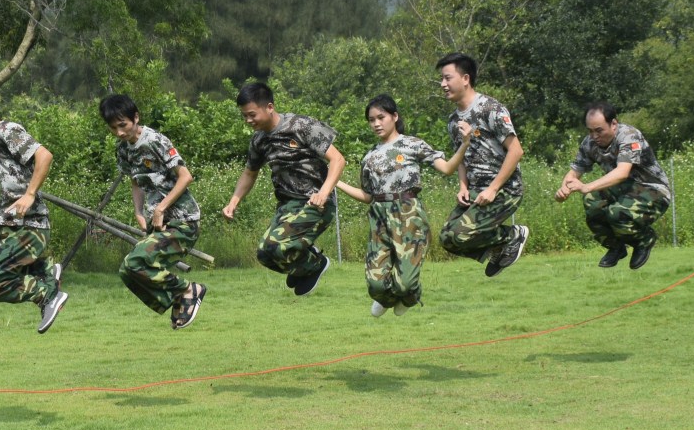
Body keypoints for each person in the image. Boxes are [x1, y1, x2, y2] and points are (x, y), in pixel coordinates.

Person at [334, 94, 463, 315]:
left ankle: (410, 295)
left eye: (380, 117)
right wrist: (335, 182)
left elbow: (447, 168)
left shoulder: (412, 145)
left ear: (394, 116)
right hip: (380, 218)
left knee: (405, 282)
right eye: (371, 120)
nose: (376, 123)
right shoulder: (370, 157)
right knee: (375, 284)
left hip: (408, 214)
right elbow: (368, 195)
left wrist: (465, 144)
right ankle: (390, 298)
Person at [0, 86, 69, 333]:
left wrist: (29, 195)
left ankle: (47, 293)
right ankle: (47, 271)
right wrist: (2, 203)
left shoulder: (7, 130)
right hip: (15, 224)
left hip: (29, 226)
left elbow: (44, 156)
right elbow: (18, 179)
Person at [220, 81, 345, 296]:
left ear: (269, 107)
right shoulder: (259, 140)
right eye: (244, 116)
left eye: (252, 114)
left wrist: (323, 193)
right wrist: (234, 201)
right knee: (265, 254)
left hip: (315, 203)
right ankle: (309, 260)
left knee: (278, 245)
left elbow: (338, 160)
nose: (248, 120)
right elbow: (250, 172)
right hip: (287, 206)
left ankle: (313, 262)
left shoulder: (301, 126)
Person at [102, 93, 206, 330]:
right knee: (128, 271)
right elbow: (136, 181)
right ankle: (179, 298)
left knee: (136, 261)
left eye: (123, 125)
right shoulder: (123, 149)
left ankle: (189, 290)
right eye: (113, 128)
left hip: (182, 221)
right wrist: (139, 211)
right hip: (158, 223)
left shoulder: (155, 141)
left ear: (135, 118)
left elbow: (185, 176)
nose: (119, 132)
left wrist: (160, 208)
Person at [435, 53, 528, 276]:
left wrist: (493, 188)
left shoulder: (490, 109)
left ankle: (513, 235)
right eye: (442, 79)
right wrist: (463, 186)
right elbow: (460, 157)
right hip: (475, 190)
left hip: (504, 189)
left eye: (447, 78)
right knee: (447, 239)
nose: (443, 84)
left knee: (460, 234)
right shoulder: (453, 121)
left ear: (465, 78)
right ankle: (499, 248)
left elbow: (516, 151)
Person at [554, 102, 673, 270]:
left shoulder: (629, 136)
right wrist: (563, 189)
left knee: (617, 213)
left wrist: (587, 186)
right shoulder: (589, 143)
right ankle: (616, 247)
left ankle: (644, 239)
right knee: (591, 202)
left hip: (654, 190)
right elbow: (574, 172)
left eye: (599, 130)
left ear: (614, 124)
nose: (594, 136)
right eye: (590, 131)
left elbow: (622, 172)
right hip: (625, 189)